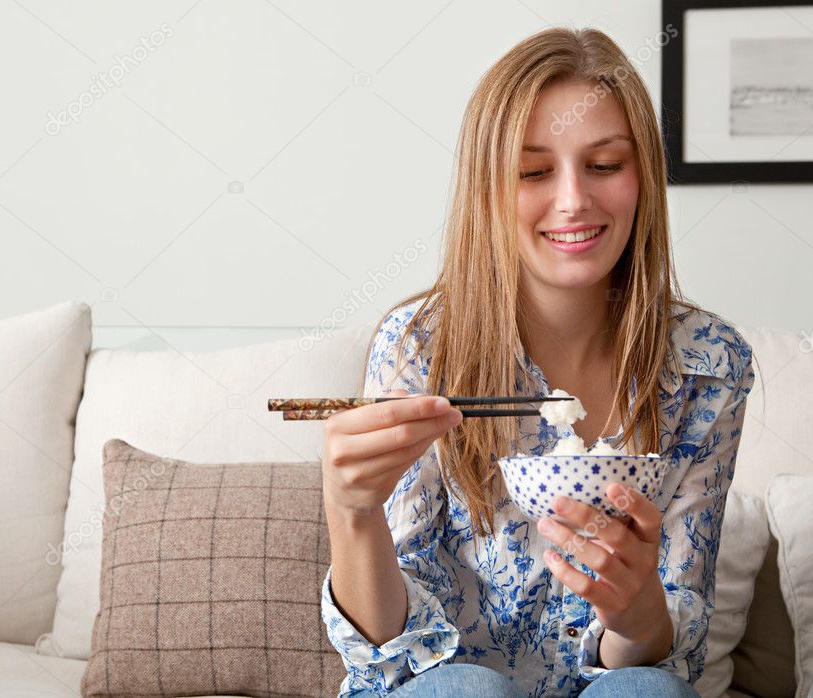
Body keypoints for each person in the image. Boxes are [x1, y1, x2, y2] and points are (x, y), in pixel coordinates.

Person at [319, 26, 755, 698]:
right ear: (487, 189)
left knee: (644, 691)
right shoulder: (417, 347)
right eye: (533, 172)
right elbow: (388, 665)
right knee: (466, 688)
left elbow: (670, 650)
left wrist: (634, 612)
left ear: (643, 179)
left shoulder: (708, 365)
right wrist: (352, 510)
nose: (574, 200)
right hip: (445, 689)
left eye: (605, 165)